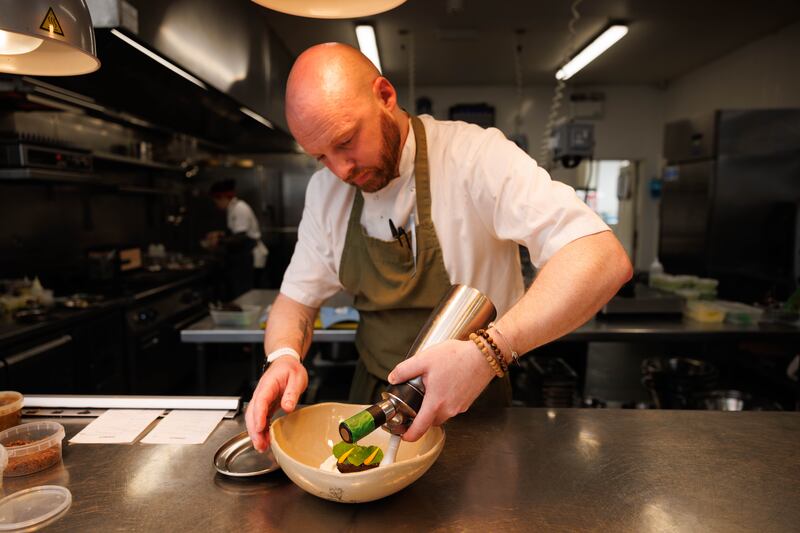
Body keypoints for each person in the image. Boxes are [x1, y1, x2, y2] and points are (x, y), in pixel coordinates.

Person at [246, 43, 632, 452]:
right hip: (372, 399)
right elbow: (295, 302)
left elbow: (601, 256)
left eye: (346, 141)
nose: (341, 169)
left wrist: (489, 351)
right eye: (321, 157)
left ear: (385, 96)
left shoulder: (474, 157)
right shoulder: (326, 192)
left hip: (472, 404)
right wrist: (283, 356)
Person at [207, 179, 268, 294]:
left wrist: (218, 241)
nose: (217, 205)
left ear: (223, 197)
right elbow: (235, 231)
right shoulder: (232, 208)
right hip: (242, 254)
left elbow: (240, 237)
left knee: (246, 291)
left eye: (216, 201)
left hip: (248, 254)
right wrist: (220, 234)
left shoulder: (240, 208)